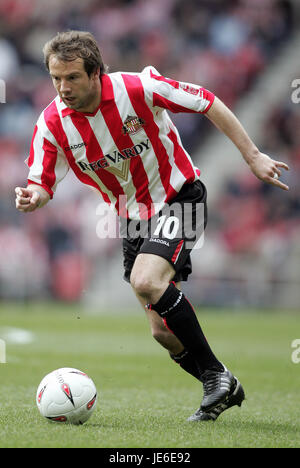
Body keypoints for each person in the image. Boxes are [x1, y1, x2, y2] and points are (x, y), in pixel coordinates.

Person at [15, 31, 289, 422]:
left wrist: (253, 156)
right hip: (131, 219)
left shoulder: (139, 88)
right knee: (162, 333)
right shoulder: (52, 123)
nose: (63, 88)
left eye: (72, 77)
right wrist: (32, 197)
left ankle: (214, 376)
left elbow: (207, 101)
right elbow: (41, 183)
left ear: (95, 73)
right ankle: (224, 383)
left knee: (146, 280)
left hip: (181, 197)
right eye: (56, 78)